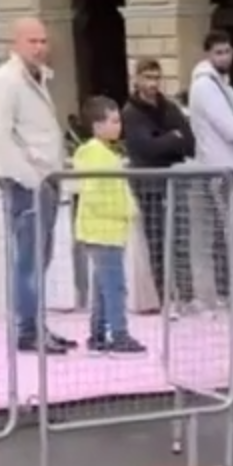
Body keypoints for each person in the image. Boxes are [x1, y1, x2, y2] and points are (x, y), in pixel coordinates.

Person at [0, 17, 75, 356]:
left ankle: (34, 326)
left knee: (40, 258)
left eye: (43, 41)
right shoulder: (5, 81)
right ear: (16, 43)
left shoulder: (35, 78)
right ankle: (28, 330)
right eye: (32, 41)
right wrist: (28, 177)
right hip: (27, 182)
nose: (39, 47)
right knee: (28, 260)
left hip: (45, 178)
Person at [187, 30, 233, 308]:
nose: (224, 56)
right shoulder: (206, 86)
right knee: (231, 234)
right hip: (221, 168)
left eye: (227, 51)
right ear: (208, 54)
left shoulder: (222, 85)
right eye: (218, 52)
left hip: (230, 166)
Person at [121, 58, 196, 314]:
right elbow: (145, 148)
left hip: (175, 181)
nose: (152, 83)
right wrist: (170, 138)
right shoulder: (130, 113)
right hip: (149, 185)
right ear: (137, 79)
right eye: (147, 77)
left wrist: (167, 140)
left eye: (156, 77)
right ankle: (166, 299)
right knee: (157, 242)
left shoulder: (169, 107)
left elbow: (188, 142)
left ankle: (185, 296)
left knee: (181, 239)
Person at [72, 97, 146, 355]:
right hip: (104, 230)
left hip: (104, 229)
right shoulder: (96, 155)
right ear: (97, 125)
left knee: (103, 286)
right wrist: (125, 210)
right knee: (114, 285)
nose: (118, 126)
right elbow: (97, 193)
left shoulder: (103, 153)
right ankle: (119, 333)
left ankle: (98, 333)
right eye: (113, 121)